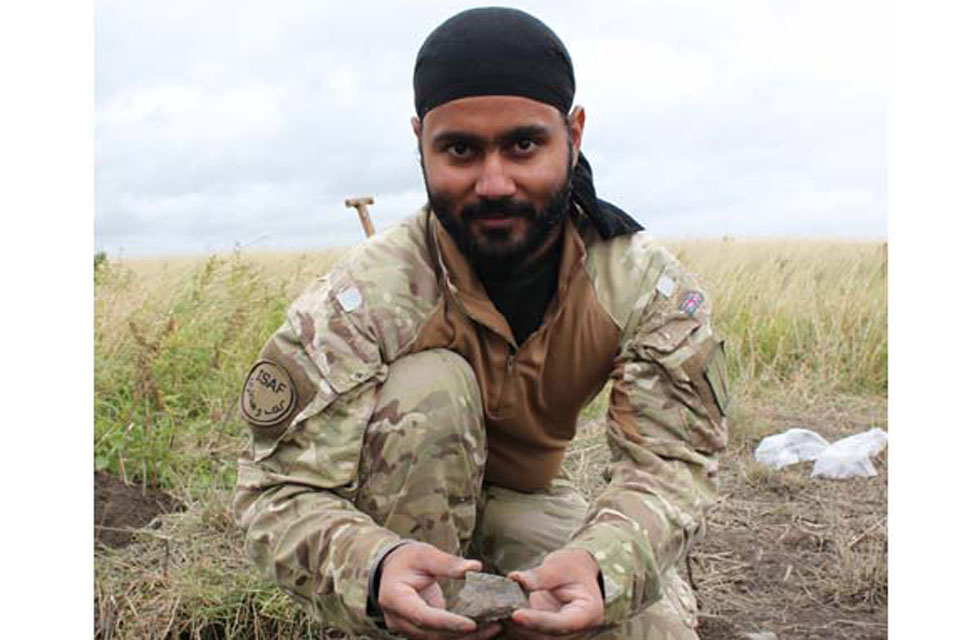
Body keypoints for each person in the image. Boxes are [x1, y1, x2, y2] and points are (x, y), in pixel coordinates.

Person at [233, 7, 729, 640]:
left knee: (648, 629)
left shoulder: (643, 287)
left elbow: (669, 469)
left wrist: (600, 565)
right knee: (431, 385)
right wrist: (374, 566)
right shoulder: (361, 299)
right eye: (460, 150)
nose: (494, 183)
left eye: (524, 144)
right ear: (420, 142)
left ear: (573, 134)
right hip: (394, 516)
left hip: (530, 506)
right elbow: (276, 494)